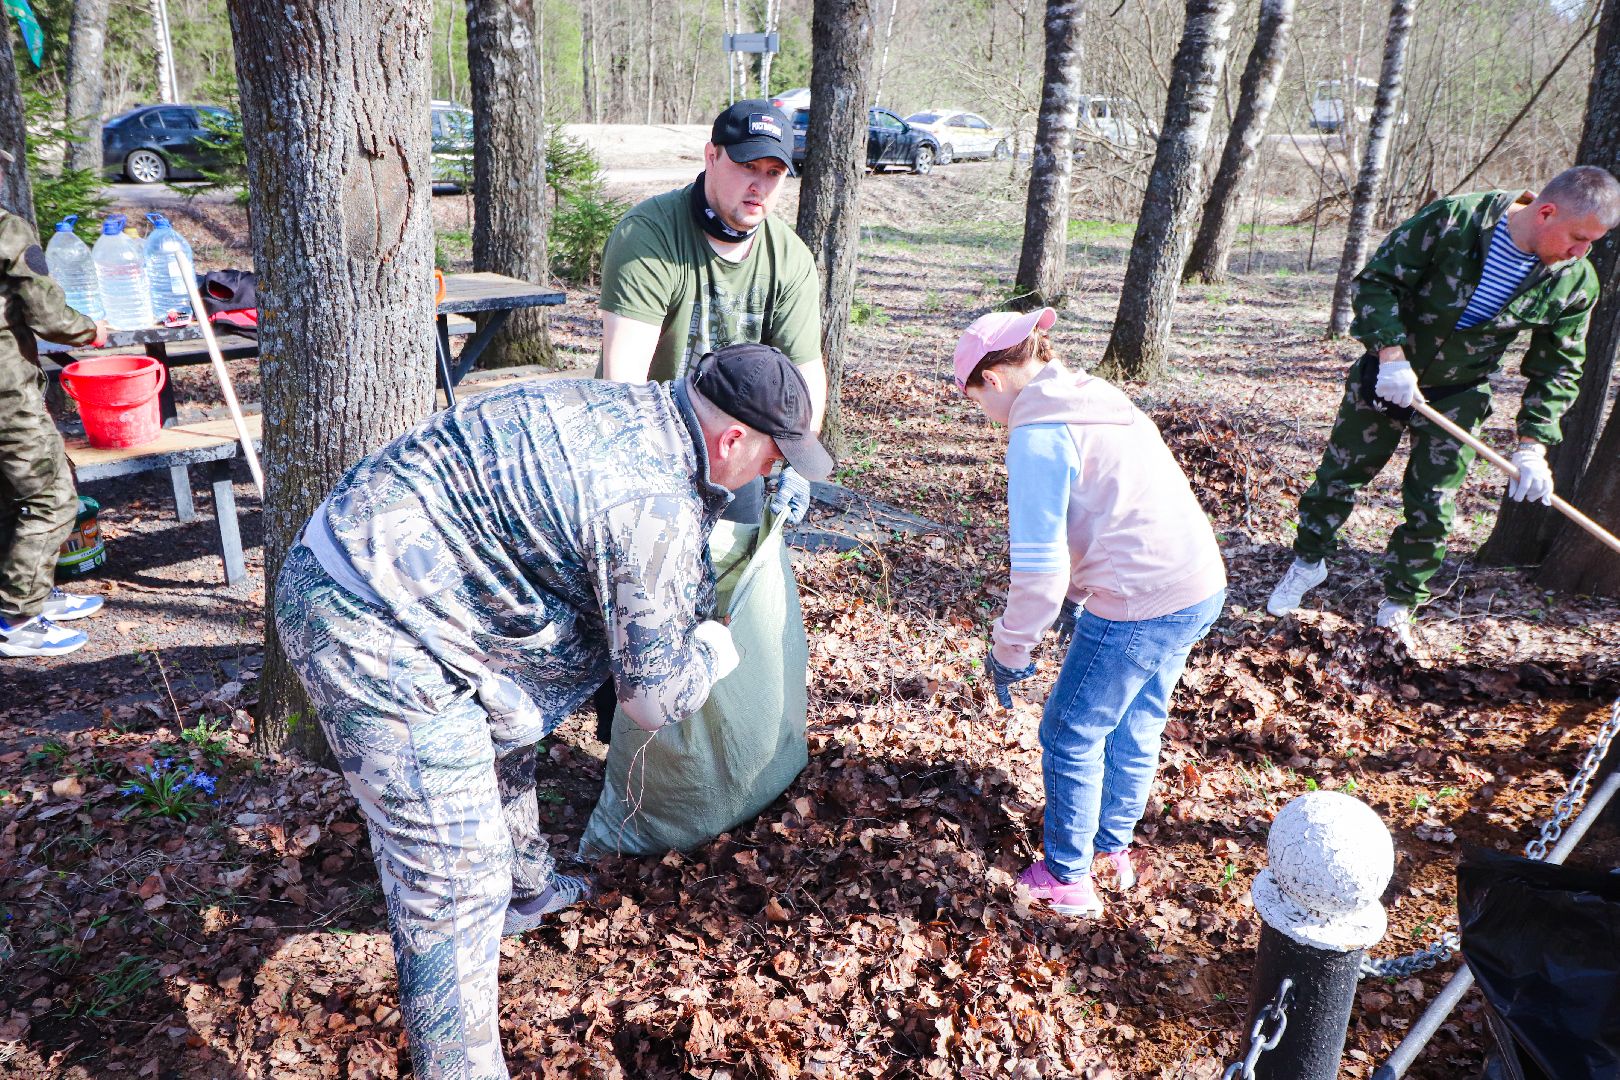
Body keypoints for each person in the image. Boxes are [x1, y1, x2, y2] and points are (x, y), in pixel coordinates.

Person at [275, 343, 831, 1080]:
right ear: (732, 439)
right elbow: (655, 699)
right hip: (370, 620)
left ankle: (528, 889)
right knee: (451, 884)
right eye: (773, 458)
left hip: (423, 584)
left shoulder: (635, 409)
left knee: (505, 716)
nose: (774, 474)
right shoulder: (650, 502)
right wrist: (715, 650)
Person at [1267, 166, 1620, 646]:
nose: (1581, 252)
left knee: (1433, 506)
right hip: (1385, 376)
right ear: (1546, 211)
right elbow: (1376, 283)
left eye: (1592, 243)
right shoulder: (1456, 221)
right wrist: (1391, 356)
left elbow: (1557, 368)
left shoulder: (1573, 281)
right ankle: (1308, 563)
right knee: (1338, 477)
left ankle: (1399, 603)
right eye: (1578, 237)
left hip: (1460, 392)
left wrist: (1533, 445)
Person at [954, 308, 1226, 920]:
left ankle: (1067, 877)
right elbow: (1104, 515)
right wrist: (1076, 601)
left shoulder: (1038, 432)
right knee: (1135, 718)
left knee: (1069, 730)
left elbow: (1040, 565)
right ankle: (1110, 849)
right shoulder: (1096, 396)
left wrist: (1011, 646)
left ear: (992, 382)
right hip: (1197, 584)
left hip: (1139, 601)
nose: (985, 418)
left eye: (975, 403)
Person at [597, 99, 826, 528]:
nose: (759, 185)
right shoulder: (648, 234)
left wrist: (798, 457)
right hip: (644, 442)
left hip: (736, 454)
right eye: (747, 166)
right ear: (712, 156)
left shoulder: (791, 258)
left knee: (730, 579)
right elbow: (622, 381)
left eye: (773, 173)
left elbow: (804, 372)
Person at [0, 147, 110, 659]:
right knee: (51, 497)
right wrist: (90, 329)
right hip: (5, 393)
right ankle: (20, 619)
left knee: (9, 497)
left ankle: (29, 596)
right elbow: (47, 313)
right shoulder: (6, 228)